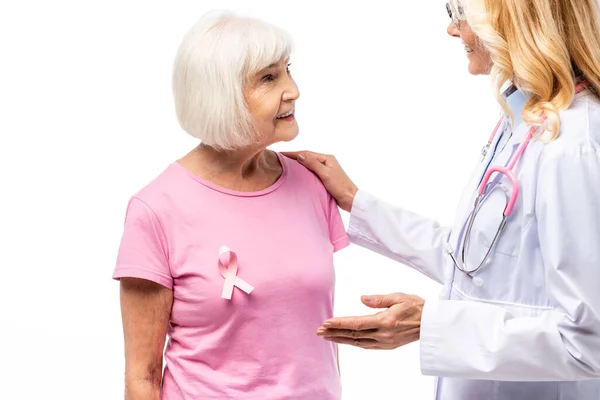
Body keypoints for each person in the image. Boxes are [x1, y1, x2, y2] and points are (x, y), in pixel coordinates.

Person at [284, 0, 600, 398]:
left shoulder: (572, 146)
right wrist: (353, 199)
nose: (454, 30)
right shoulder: (524, 118)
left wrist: (432, 325)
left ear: (506, 20)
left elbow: (588, 343)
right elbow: (477, 261)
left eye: (459, 14)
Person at [112, 11, 348, 400]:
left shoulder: (311, 184)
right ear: (219, 96)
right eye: (269, 78)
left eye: (287, 70)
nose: (293, 89)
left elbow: (314, 339)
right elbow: (143, 376)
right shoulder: (156, 209)